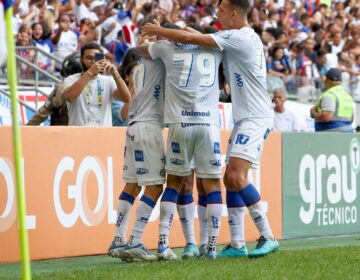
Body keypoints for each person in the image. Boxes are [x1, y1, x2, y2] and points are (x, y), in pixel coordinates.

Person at [142, 0, 279, 258]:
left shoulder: (239, 37)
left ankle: (268, 235)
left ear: (234, 13)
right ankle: (237, 243)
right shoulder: (237, 37)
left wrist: (160, 32)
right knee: (229, 178)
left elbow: (188, 36)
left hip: (255, 117)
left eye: (222, 10)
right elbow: (198, 36)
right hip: (245, 117)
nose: (217, 14)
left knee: (236, 178)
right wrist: (173, 32)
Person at [139, 22, 224, 260]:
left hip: (179, 123)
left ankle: (164, 242)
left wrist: (161, 36)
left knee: (174, 184)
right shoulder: (215, 49)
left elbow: (141, 49)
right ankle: (210, 247)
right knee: (213, 186)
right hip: (208, 125)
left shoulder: (167, 48)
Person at [108, 51, 166, 261]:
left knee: (132, 186)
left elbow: (125, 111)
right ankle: (135, 241)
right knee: (155, 187)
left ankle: (119, 239)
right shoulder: (162, 64)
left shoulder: (137, 68)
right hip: (149, 128)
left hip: (132, 127)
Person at [63, 42, 131, 126]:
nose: (93, 62)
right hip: (79, 136)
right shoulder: (71, 79)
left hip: (102, 136)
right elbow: (70, 97)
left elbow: (126, 98)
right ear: (81, 60)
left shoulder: (108, 80)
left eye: (96, 59)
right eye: (89, 58)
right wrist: (90, 72)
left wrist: (115, 74)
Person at [27, 53, 82, 126]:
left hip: (63, 132)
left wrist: (27, 127)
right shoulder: (97, 86)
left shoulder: (61, 88)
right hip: (90, 132)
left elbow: (43, 113)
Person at [310, 68, 354, 133]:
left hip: (331, 137)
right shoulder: (348, 96)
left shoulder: (329, 95)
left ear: (326, 80)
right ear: (341, 82)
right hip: (347, 136)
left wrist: (314, 114)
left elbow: (326, 117)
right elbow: (352, 119)